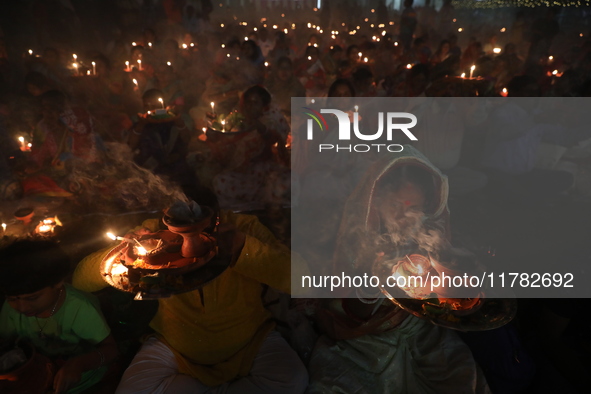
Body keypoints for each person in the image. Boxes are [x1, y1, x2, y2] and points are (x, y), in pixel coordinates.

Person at [72, 189, 309, 394]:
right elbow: (81, 281)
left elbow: (301, 280)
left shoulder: (242, 228)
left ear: (217, 216)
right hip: (176, 349)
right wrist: (125, 250)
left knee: (292, 381)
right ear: (166, 218)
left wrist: (242, 248)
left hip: (250, 342)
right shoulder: (151, 234)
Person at [304, 146, 490, 393]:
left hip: (421, 334)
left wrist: (452, 290)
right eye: (395, 205)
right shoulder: (354, 236)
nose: (404, 216)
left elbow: (449, 296)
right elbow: (343, 310)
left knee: (461, 379)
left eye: (414, 208)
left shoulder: (429, 238)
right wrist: (377, 284)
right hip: (366, 341)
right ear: (374, 198)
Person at [0, 240, 118, 394]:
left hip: (83, 381)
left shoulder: (80, 308)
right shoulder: (11, 308)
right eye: (13, 299)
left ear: (57, 283)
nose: (22, 308)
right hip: (36, 378)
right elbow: (4, 341)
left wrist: (78, 364)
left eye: (32, 298)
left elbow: (111, 350)